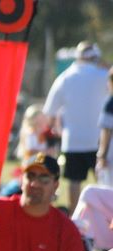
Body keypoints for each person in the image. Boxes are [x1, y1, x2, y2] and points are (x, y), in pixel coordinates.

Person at [43, 41, 108, 214]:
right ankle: (106, 216)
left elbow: (49, 112)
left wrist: (56, 128)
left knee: (74, 181)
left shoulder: (65, 77)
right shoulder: (103, 76)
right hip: (100, 140)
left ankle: (74, 217)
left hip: (73, 141)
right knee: (104, 182)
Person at [94, 66, 113, 188]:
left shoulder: (110, 103)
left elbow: (106, 131)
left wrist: (102, 155)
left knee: (108, 189)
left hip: (111, 153)